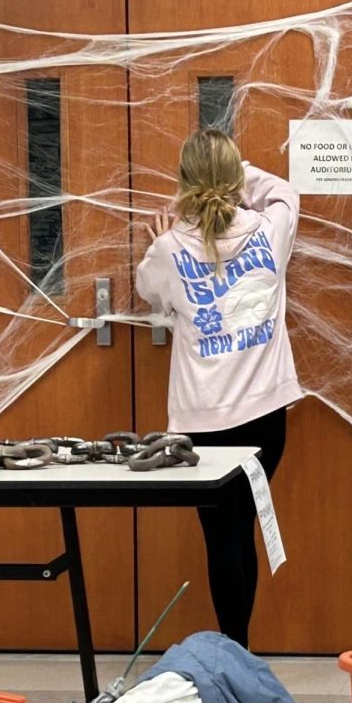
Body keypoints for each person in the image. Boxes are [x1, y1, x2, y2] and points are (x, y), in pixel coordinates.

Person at [135, 127, 303, 649]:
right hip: (265, 420)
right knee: (242, 529)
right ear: (236, 180)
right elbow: (284, 191)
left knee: (223, 536)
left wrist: (174, 225)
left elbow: (150, 296)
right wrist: (237, 175)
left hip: (201, 425)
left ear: (183, 183)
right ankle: (238, 648)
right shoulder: (270, 229)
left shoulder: (166, 249)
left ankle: (236, 648)